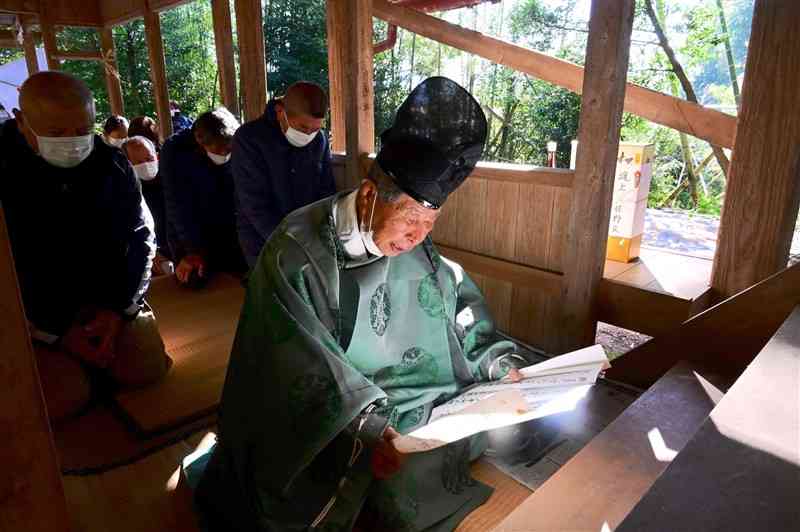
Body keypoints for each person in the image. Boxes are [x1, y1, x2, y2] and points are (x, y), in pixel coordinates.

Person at [193, 77, 527, 531]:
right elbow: (297, 363)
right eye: (411, 218)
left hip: (410, 392)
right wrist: (368, 427)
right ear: (369, 196)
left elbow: (457, 307)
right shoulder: (297, 251)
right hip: (335, 408)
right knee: (377, 478)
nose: (417, 236)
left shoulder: (417, 246)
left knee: (485, 424)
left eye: (430, 223)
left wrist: (498, 362)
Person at [0, 72, 171, 423]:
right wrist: (55, 332)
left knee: (146, 369)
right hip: (32, 315)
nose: (73, 142)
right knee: (60, 401)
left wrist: (120, 309)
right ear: (21, 121)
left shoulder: (112, 163)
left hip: (107, 301)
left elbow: (142, 236)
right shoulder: (4, 169)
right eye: (57, 133)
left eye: (82, 130)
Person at [232, 81, 336, 267]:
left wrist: (324, 234)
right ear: (281, 112)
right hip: (262, 240)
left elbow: (326, 190)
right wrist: (290, 244)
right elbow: (254, 203)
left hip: (308, 240)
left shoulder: (319, 140)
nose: (309, 135)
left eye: (316, 129)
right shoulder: (249, 139)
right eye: (303, 128)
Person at [160, 107, 245, 286]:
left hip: (229, 222)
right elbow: (177, 205)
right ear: (199, 140)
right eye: (220, 150)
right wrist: (192, 250)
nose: (225, 155)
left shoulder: (241, 142)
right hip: (191, 226)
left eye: (229, 150)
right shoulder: (175, 150)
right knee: (194, 279)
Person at [122, 135, 172, 269]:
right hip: (149, 255)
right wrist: (151, 252)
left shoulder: (172, 181)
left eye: (149, 159)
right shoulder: (125, 192)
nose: (145, 165)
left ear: (157, 156)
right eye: (137, 162)